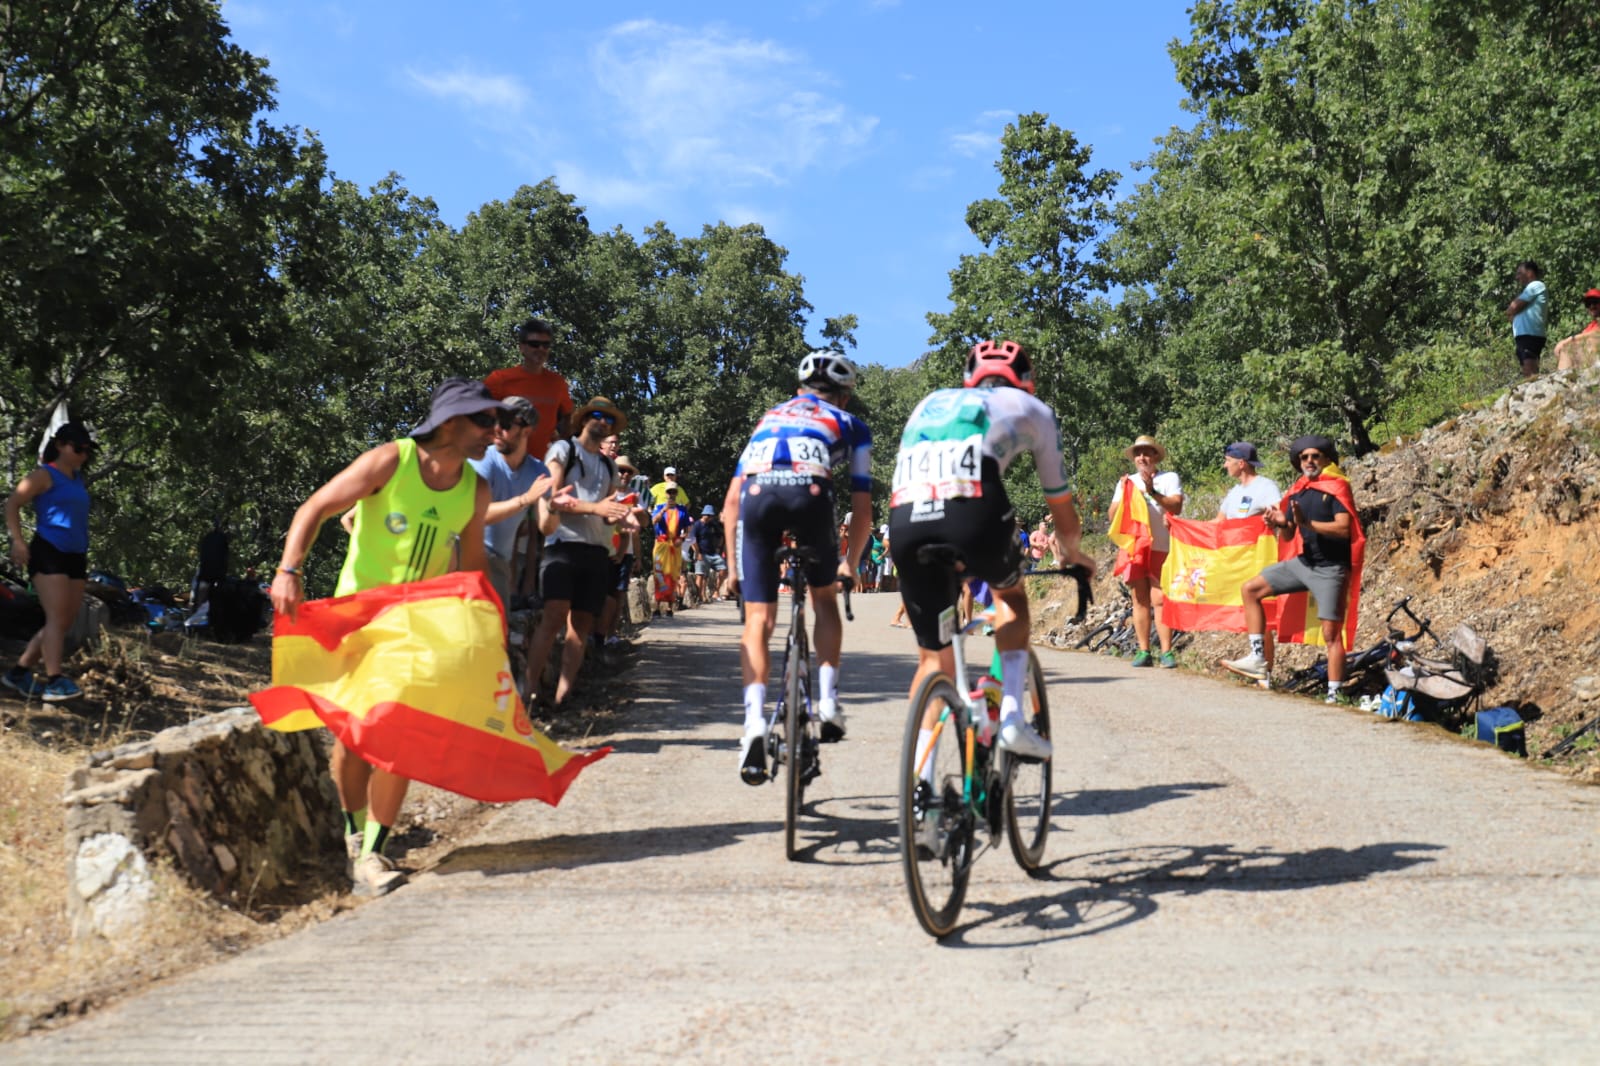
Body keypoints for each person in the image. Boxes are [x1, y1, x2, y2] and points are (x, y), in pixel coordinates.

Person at [267, 377, 504, 896]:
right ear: (450, 423)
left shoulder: (475, 487)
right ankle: (352, 837)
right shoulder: (390, 462)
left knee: (399, 730)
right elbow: (314, 508)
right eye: (485, 420)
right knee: (354, 741)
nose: (496, 431)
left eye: (497, 421)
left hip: (418, 629)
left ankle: (374, 851)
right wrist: (289, 570)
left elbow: (473, 568)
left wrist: (486, 632)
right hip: (357, 622)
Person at [889, 340, 1095, 763]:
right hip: (973, 509)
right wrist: (1072, 554)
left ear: (969, 378)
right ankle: (1014, 719)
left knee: (933, 660)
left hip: (906, 517)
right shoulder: (1032, 409)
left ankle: (920, 783)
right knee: (1010, 598)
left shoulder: (930, 402)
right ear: (1026, 382)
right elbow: (1060, 506)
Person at [726, 350, 872, 783]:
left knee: (758, 620)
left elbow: (731, 503)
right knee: (824, 599)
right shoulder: (851, 425)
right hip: (810, 497)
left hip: (758, 500)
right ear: (843, 397)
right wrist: (851, 563)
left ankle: (753, 724)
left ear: (799, 392)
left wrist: (734, 568)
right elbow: (861, 508)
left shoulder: (769, 418)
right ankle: (827, 701)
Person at [1222, 435, 1359, 703]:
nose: (1309, 461)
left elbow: (1344, 529)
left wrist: (1308, 524)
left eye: (1315, 456)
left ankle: (1335, 694)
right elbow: (1287, 537)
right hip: (1304, 563)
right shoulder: (1298, 490)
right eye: (1304, 457)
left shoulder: (1337, 487)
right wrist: (1279, 522)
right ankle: (1258, 658)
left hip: (1331, 568)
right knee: (1251, 589)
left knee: (1332, 634)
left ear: (1326, 459)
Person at [523, 397, 635, 709]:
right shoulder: (563, 451)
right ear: (584, 420)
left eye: (609, 420)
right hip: (562, 546)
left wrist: (623, 517)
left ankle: (563, 696)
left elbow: (608, 511)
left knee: (581, 626)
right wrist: (597, 507)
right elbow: (554, 498)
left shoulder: (608, 465)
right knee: (553, 617)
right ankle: (528, 693)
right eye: (597, 416)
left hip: (596, 551)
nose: (603, 422)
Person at [3, 421, 96, 702]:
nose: (83, 454)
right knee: (55, 618)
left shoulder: (76, 478)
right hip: (49, 552)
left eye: (87, 450)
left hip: (75, 555)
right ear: (60, 446)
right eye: (78, 448)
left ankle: (18, 673)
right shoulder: (44, 475)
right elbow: (12, 504)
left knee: (64, 620)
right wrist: (17, 541)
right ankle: (54, 680)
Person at [468, 396, 555, 612]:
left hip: (500, 565)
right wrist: (525, 499)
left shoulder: (538, 472)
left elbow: (547, 527)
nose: (497, 429)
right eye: (495, 421)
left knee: (495, 640)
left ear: (526, 431)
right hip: (465, 557)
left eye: (506, 424)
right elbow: (475, 515)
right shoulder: (482, 460)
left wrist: (554, 507)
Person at [1109, 435, 1184, 668]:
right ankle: (1144, 651)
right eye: (1138, 453)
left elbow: (1176, 506)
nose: (1142, 457)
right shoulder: (1126, 482)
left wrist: (1152, 492)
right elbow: (1113, 517)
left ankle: (1166, 652)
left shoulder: (1169, 478)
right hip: (1135, 547)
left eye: (1146, 453)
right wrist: (1124, 495)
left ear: (1155, 456)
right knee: (1139, 599)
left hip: (1162, 546)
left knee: (1160, 598)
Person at [485, 318, 575, 459]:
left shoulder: (557, 383)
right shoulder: (500, 379)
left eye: (546, 345)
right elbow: (480, 416)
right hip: (503, 463)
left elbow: (568, 415)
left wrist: (562, 442)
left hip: (542, 465)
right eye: (534, 344)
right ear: (522, 347)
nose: (540, 349)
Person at [596, 445, 650, 648]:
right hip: (604, 547)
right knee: (603, 593)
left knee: (618, 594)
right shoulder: (605, 491)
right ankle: (597, 635)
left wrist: (637, 556)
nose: (624, 475)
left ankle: (611, 634)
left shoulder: (636, 495)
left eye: (628, 471)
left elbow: (642, 525)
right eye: (621, 471)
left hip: (625, 552)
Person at [1505, 260, 1548, 380]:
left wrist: (1511, 310)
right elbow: (1512, 312)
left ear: (1529, 273)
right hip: (1525, 336)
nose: (1517, 277)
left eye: (1519, 273)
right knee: (1527, 371)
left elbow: (1513, 307)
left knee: (1530, 373)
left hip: (1530, 335)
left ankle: (1536, 396)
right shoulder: (1529, 289)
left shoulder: (1536, 285)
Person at [1216, 441, 1282, 520]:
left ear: (1241, 464)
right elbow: (1218, 521)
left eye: (1228, 460)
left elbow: (1279, 515)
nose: (1225, 465)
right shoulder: (1234, 491)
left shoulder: (1266, 487)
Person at [651, 487, 690, 617]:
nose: (671, 495)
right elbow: (653, 521)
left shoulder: (682, 510)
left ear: (677, 494)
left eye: (674, 492)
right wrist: (663, 510)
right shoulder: (659, 507)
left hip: (675, 545)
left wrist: (682, 538)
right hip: (661, 544)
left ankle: (669, 607)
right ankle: (656, 607)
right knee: (659, 574)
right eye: (669, 492)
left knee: (673, 575)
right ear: (666, 494)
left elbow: (687, 529)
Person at [1554, 287, 1600, 372]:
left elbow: (1596, 334)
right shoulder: (1591, 325)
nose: (1592, 306)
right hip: (1588, 360)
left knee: (1568, 348)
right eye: (1588, 304)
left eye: (1595, 302)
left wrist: (1567, 340)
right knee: (1568, 349)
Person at [690, 505, 726, 603]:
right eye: (708, 515)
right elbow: (692, 540)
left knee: (723, 569)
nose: (709, 517)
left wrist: (719, 548)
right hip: (700, 552)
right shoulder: (697, 525)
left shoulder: (712, 524)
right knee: (701, 575)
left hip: (712, 553)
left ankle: (716, 591)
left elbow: (721, 535)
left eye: (711, 516)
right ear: (704, 515)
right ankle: (700, 597)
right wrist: (697, 552)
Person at [192, 518, 230, 610]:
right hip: (217, 578)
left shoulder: (207, 538)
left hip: (205, 576)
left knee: (198, 601)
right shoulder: (222, 539)